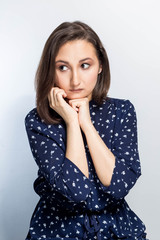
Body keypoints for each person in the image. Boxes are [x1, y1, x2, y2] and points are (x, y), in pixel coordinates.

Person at [25, 21, 147, 240]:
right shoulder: (38, 121)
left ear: (100, 65)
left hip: (117, 230)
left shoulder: (122, 111)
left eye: (85, 65)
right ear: (50, 71)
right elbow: (77, 191)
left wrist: (87, 125)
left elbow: (119, 185)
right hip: (57, 232)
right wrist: (71, 121)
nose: (75, 80)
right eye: (63, 67)